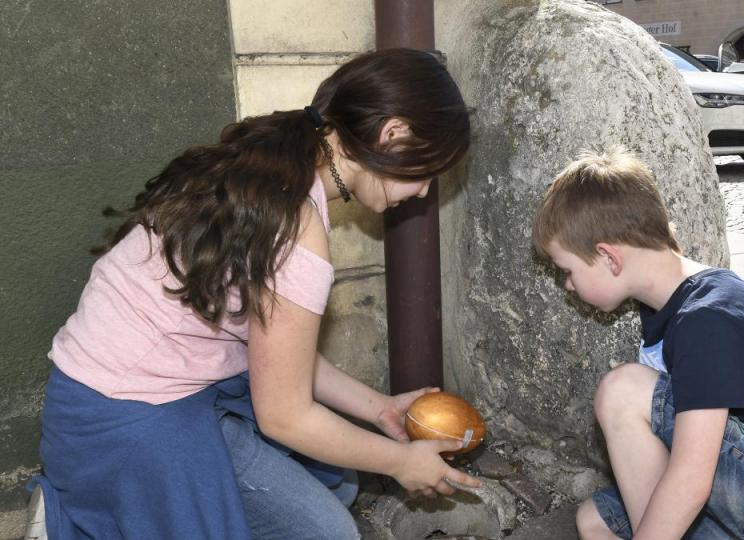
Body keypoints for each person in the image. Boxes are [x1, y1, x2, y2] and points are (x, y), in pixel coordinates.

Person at [26, 48, 481, 540]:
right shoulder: (298, 231)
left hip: (124, 393)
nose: (422, 192)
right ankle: (66, 520)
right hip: (123, 420)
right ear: (394, 134)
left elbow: (282, 353)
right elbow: (285, 416)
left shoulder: (275, 161)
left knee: (339, 486)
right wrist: (398, 461)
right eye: (427, 171)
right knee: (332, 534)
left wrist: (379, 408)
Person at [532, 148, 744, 540]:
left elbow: (691, 477)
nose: (567, 284)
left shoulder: (709, 319)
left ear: (608, 257)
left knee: (622, 392)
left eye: (566, 271)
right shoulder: (673, 306)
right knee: (594, 521)